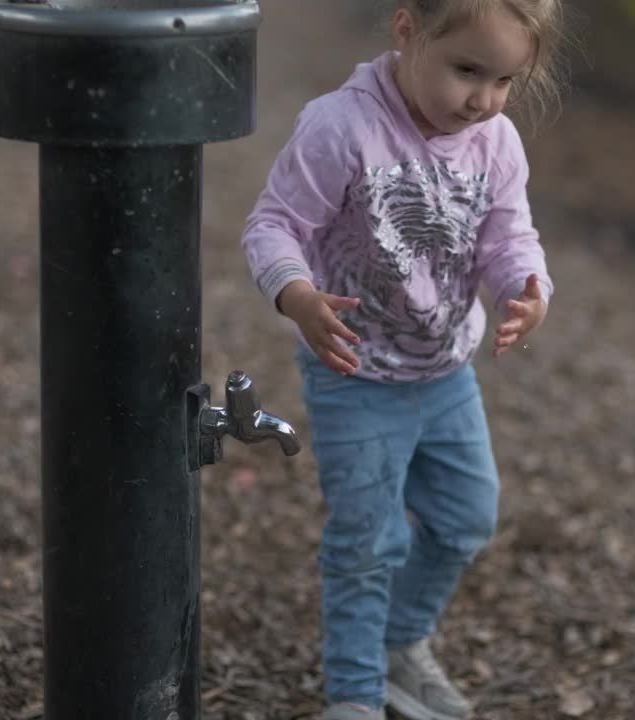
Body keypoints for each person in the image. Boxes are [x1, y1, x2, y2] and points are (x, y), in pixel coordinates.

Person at [241, 0, 564, 717]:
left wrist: (527, 287)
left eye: (505, 80)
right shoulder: (343, 127)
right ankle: (354, 693)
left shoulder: (496, 141)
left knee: (467, 519)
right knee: (368, 541)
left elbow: (511, 236)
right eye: (467, 70)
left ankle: (399, 643)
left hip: (447, 371)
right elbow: (274, 224)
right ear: (406, 29)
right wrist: (296, 294)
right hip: (353, 375)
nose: (484, 99)